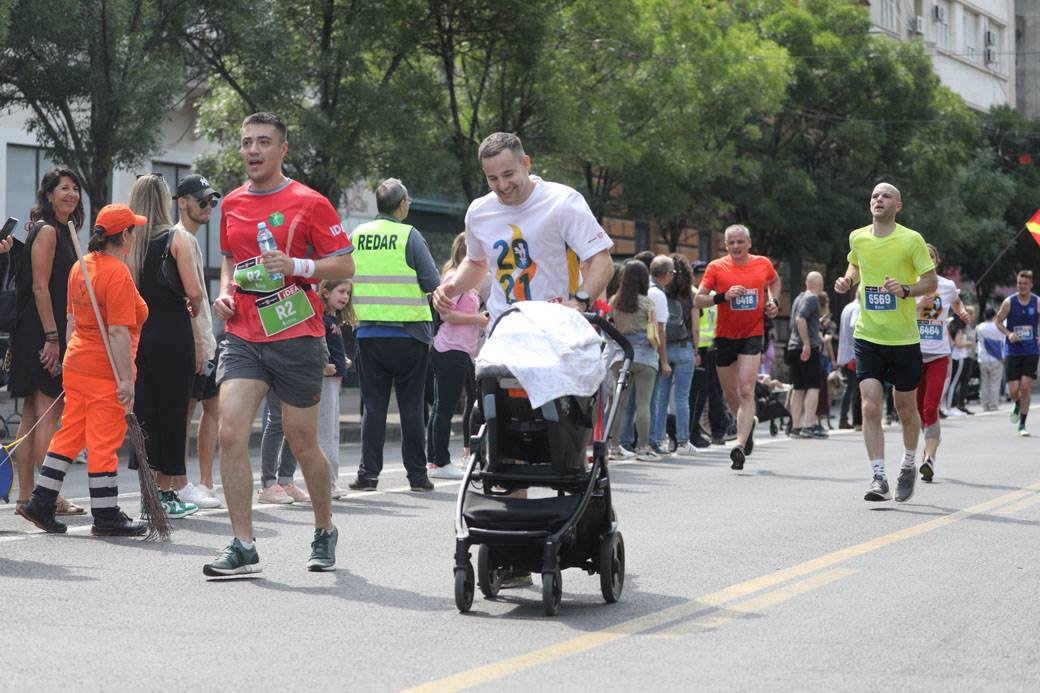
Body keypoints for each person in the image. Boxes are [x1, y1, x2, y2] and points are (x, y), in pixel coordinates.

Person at [432, 131, 614, 588]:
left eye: (509, 174)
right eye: (492, 178)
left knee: (557, 441)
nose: (502, 186)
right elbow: (478, 265)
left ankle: (571, 526)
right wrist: (451, 285)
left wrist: (579, 300)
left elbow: (601, 259)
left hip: (555, 337)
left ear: (527, 163)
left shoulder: (562, 203)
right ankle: (513, 548)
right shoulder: (481, 211)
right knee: (503, 441)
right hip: (507, 339)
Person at [205, 112, 354, 576]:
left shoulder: (310, 202)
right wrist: (226, 291)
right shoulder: (230, 202)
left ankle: (324, 528)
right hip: (245, 334)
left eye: (263, 142)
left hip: (297, 334)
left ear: (282, 149)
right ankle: (243, 544)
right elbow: (230, 259)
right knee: (230, 432)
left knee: (302, 439)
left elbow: (345, 265)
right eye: (247, 142)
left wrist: (297, 265)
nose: (252, 150)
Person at [15, 204, 149, 536]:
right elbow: (118, 331)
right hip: (105, 368)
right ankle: (105, 514)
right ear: (125, 236)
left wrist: (73, 358)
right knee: (104, 440)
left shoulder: (81, 266)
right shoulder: (116, 273)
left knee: (71, 433)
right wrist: (126, 380)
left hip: (78, 362)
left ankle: (41, 501)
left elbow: (72, 321)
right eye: (133, 230)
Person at [834, 182, 937, 503]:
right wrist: (849, 278)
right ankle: (878, 476)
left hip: (903, 338)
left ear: (898, 206)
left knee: (906, 407)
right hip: (868, 334)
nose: (879, 199)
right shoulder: (858, 237)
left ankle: (908, 464)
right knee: (869, 405)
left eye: (886, 196)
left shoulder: (911, 240)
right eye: (875, 196)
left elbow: (930, 282)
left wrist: (906, 290)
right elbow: (855, 261)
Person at [347, 178, 440, 493]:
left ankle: (367, 475)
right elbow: (430, 282)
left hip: (368, 334)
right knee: (412, 407)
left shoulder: (357, 235)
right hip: (409, 334)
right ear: (402, 205)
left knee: (373, 407)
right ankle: (417, 476)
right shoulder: (409, 235)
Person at [127, 174, 204, 519]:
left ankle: (148, 495)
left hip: (138, 334)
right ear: (163, 201)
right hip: (172, 334)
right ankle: (168, 492)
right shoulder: (177, 238)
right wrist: (195, 307)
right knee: (174, 413)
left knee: (146, 415)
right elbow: (195, 292)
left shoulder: (127, 242)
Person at [9, 168, 85, 515]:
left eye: (75, 188)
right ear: (49, 194)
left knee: (30, 417)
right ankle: (48, 496)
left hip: (40, 330)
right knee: (48, 414)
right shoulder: (49, 232)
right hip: (42, 333)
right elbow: (40, 287)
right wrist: (53, 338)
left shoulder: (65, 231)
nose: (71, 194)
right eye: (63, 188)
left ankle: (27, 497)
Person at [693, 224, 781, 470]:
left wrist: (773, 302)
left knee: (745, 390)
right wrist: (723, 296)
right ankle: (748, 423)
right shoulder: (716, 267)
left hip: (753, 334)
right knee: (731, 396)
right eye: (731, 243)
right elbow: (698, 298)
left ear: (749, 243)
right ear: (725, 245)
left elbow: (774, 282)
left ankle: (740, 445)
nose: (736, 247)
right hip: (724, 337)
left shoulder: (762, 263)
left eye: (740, 242)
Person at [173, 174, 222, 508]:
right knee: (185, 411)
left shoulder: (191, 239)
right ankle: (181, 483)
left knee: (212, 408)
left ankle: (205, 480)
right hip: (193, 341)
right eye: (202, 201)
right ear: (182, 202)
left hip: (205, 337)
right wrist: (197, 342)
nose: (208, 207)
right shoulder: (179, 238)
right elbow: (187, 298)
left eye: (212, 202)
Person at [429, 232, 489, 479]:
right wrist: (479, 319)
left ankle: (434, 461)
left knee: (442, 407)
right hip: (450, 347)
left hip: (460, 349)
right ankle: (440, 462)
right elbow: (447, 315)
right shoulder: (455, 279)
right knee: (444, 407)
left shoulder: (465, 281)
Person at [913, 243, 969, 483]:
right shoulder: (909, 285)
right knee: (915, 410)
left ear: (936, 261)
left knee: (930, 406)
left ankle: (930, 459)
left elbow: (956, 302)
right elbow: (898, 312)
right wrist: (918, 304)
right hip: (912, 354)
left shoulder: (946, 286)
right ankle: (926, 450)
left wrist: (962, 312)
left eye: (931, 256)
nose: (927, 260)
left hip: (938, 355)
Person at [605, 261, 667, 460]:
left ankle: (614, 448)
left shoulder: (614, 301)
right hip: (645, 358)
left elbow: (608, 330)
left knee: (617, 404)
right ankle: (643, 448)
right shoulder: (647, 303)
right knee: (643, 404)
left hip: (620, 357)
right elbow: (656, 331)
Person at [652, 253, 698, 456]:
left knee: (661, 397)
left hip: (663, 348)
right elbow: (695, 328)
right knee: (682, 397)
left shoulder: (659, 294)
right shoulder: (690, 295)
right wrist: (696, 350)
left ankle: (659, 439)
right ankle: (683, 441)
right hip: (684, 346)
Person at [317, 278, 355, 497]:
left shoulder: (332, 319)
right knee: (326, 433)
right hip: (325, 380)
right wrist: (326, 365)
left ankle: (331, 482)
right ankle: (326, 483)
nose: (345, 297)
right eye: (341, 291)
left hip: (334, 379)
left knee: (332, 433)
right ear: (325, 292)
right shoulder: (322, 319)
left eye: (347, 293)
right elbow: (318, 346)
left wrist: (343, 361)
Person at [994, 269, 1039, 437]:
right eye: (1019, 283)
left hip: (1031, 351)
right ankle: (1017, 404)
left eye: (1025, 284)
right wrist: (1009, 334)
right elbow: (997, 321)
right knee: (1014, 391)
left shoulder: (1037, 302)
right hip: (1013, 351)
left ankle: (1022, 424)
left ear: (1031, 285)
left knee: (1026, 388)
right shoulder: (1009, 302)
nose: (1022, 286)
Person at [689, 260, 728, 447]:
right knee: (704, 392)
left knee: (711, 391)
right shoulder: (701, 295)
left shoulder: (707, 296)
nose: (702, 278)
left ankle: (715, 431)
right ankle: (704, 431)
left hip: (710, 347)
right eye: (699, 275)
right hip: (705, 348)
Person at [785, 271, 826, 438]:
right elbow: (800, 319)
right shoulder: (812, 298)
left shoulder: (799, 297)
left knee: (798, 387)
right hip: (806, 348)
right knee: (813, 387)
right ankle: (809, 425)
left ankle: (795, 426)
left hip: (793, 346)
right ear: (820, 285)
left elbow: (795, 320)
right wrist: (808, 344)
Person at [645, 256, 674, 453]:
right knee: (652, 400)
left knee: (632, 402)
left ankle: (626, 440)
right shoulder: (659, 295)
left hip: (630, 350)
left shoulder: (641, 287)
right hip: (650, 351)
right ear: (666, 275)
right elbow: (660, 329)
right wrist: (664, 361)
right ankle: (653, 440)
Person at [836, 294, 862, 430]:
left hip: (845, 354)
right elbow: (855, 326)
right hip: (853, 355)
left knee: (849, 388)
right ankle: (846, 418)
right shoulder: (858, 308)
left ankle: (844, 417)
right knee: (854, 389)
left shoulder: (847, 307)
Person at [945, 306, 976, 416]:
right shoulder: (958, 327)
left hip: (956, 357)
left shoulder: (953, 324)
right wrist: (969, 343)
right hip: (958, 357)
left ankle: (951, 406)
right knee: (953, 383)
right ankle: (950, 407)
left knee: (953, 383)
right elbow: (958, 344)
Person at [975, 307, 1004, 412]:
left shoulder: (979, 327)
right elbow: (1002, 341)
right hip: (996, 358)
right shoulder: (998, 327)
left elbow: (977, 340)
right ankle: (993, 405)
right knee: (995, 383)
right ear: (994, 316)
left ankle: (985, 404)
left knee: (984, 382)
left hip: (982, 358)